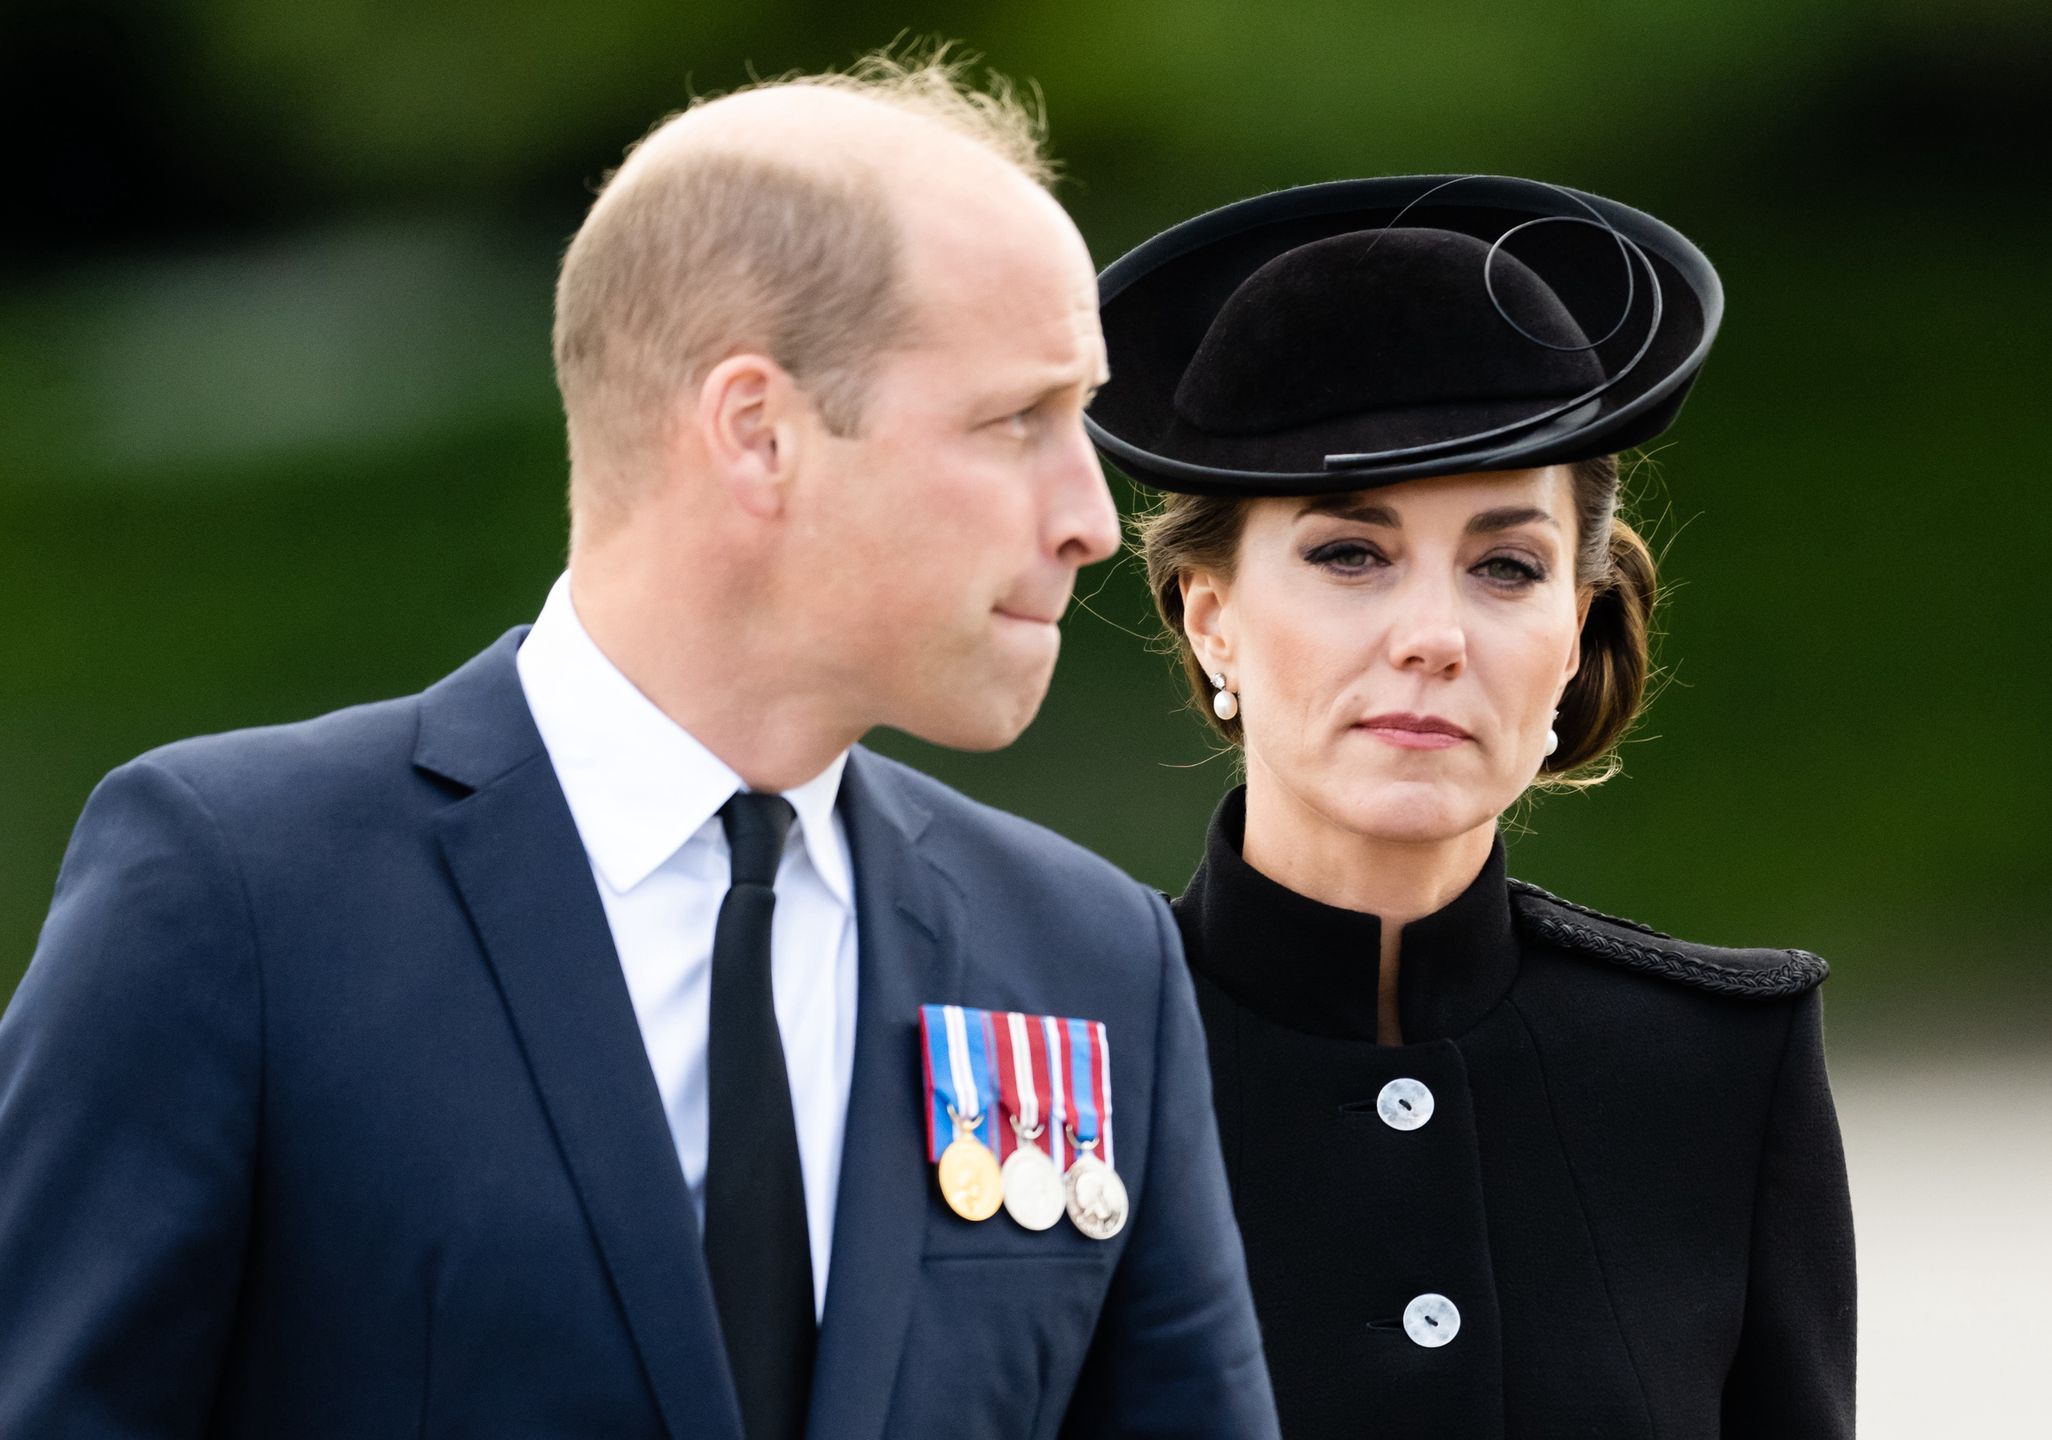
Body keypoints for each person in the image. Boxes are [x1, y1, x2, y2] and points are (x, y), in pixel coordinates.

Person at [0, 55, 1281, 1439]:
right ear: (758, 433)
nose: (1094, 517)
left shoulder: (1090, 955)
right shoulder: (237, 893)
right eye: (1016, 420)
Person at [1089, 176, 1856, 1437]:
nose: (1435, 637)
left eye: (1507, 567)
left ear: (1576, 629)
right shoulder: (1063, 1063)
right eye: (1351, 553)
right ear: (1210, 617)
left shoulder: (1720, 1063)